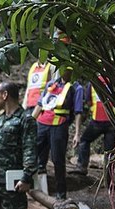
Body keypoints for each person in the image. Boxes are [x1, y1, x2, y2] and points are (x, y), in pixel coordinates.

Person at [32, 67, 84, 199]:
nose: (63, 72)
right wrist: (30, 122)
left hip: (59, 126)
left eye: (66, 70)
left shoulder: (76, 88)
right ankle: (34, 187)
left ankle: (61, 194)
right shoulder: (51, 84)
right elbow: (40, 104)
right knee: (35, 154)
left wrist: (77, 133)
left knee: (58, 159)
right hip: (42, 123)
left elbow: (78, 112)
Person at [72, 75, 115, 177]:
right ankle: (109, 177)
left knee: (84, 140)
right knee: (109, 152)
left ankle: (82, 166)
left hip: (97, 121)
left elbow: (88, 101)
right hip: (112, 122)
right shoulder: (114, 81)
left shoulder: (92, 82)